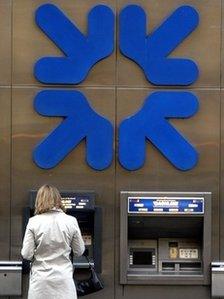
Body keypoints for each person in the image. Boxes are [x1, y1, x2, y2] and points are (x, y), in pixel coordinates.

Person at [21, 184, 85, 299]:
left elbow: (26, 254)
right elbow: (79, 251)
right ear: (58, 200)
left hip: (40, 282)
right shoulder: (71, 221)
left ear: (39, 200)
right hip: (64, 281)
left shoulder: (33, 222)